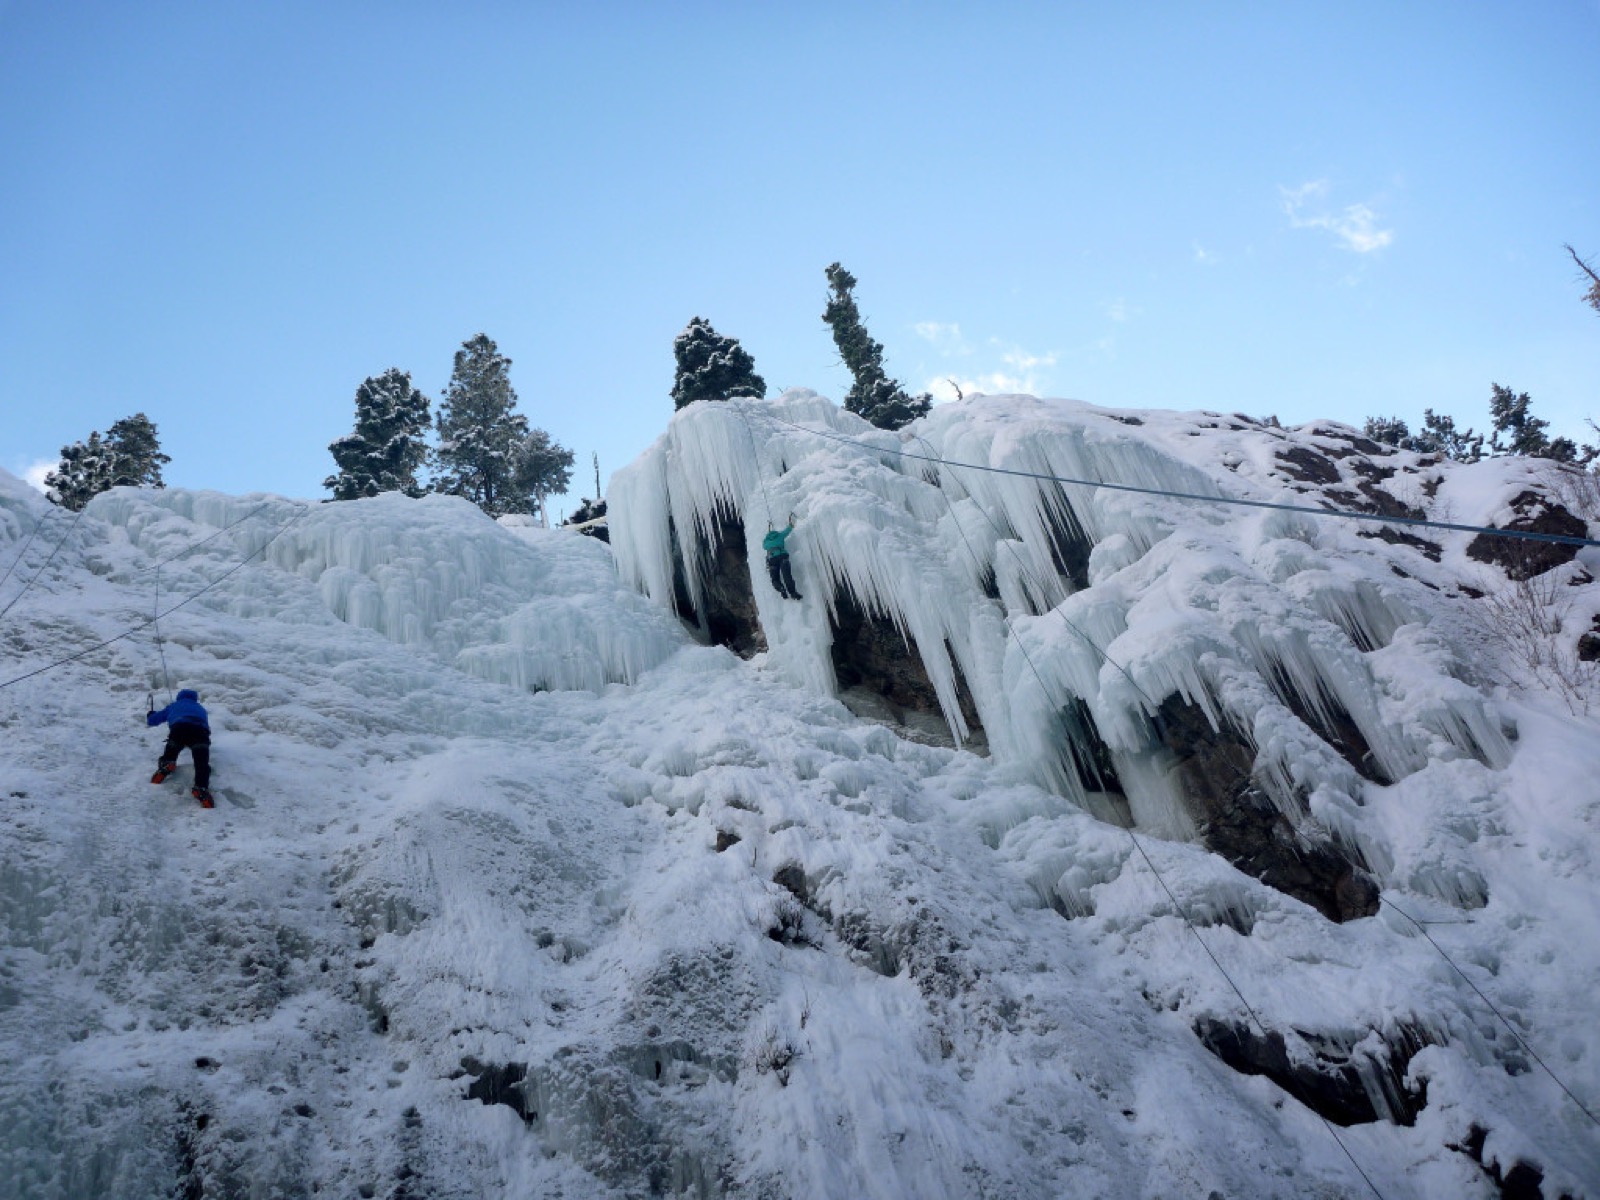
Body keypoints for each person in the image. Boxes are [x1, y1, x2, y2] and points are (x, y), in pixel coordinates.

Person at [148, 688, 214, 808]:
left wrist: (151, 715)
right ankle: (201, 787)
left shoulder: (174, 705)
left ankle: (167, 764)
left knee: (173, 746)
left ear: (179, 697)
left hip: (179, 728)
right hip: (200, 732)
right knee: (201, 764)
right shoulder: (201, 709)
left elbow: (153, 721)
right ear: (195, 698)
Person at [762, 513, 803, 600]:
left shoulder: (765, 542)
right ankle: (793, 593)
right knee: (787, 576)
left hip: (772, 560)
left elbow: (764, 547)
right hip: (782, 557)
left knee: (774, 579)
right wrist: (791, 524)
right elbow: (788, 530)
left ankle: (781, 588)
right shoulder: (780, 535)